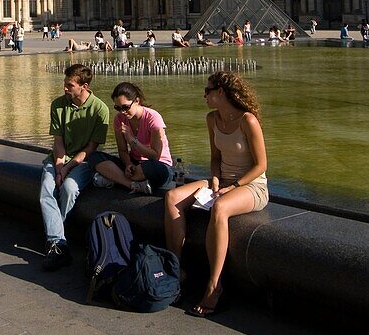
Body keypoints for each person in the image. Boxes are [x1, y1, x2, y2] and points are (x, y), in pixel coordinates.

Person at [164, 71, 268, 317]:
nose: (204, 95)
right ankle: (176, 268)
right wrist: (214, 178)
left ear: (221, 92)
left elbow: (261, 165)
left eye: (207, 90)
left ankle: (214, 285)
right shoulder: (212, 119)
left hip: (252, 186)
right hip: (222, 182)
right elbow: (215, 158)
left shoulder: (248, 120)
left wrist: (233, 186)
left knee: (220, 208)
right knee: (172, 198)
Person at [39, 63, 109, 271]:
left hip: (84, 161)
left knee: (69, 188)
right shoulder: (58, 104)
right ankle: (58, 242)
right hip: (57, 158)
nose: (65, 88)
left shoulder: (100, 109)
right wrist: (60, 165)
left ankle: (56, 240)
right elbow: (58, 141)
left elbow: (90, 148)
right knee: (46, 187)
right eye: (65, 83)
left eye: (69, 85)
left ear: (84, 86)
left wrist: (67, 168)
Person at [92, 82, 173, 195]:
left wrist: (132, 140)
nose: (122, 112)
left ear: (137, 101)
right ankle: (132, 185)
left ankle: (115, 179)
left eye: (125, 107)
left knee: (154, 169)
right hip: (134, 164)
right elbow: (122, 150)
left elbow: (155, 155)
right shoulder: (119, 119)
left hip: (157, 164)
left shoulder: (153, 118)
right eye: (118, 108)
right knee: (94, 157)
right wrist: (128, 164)